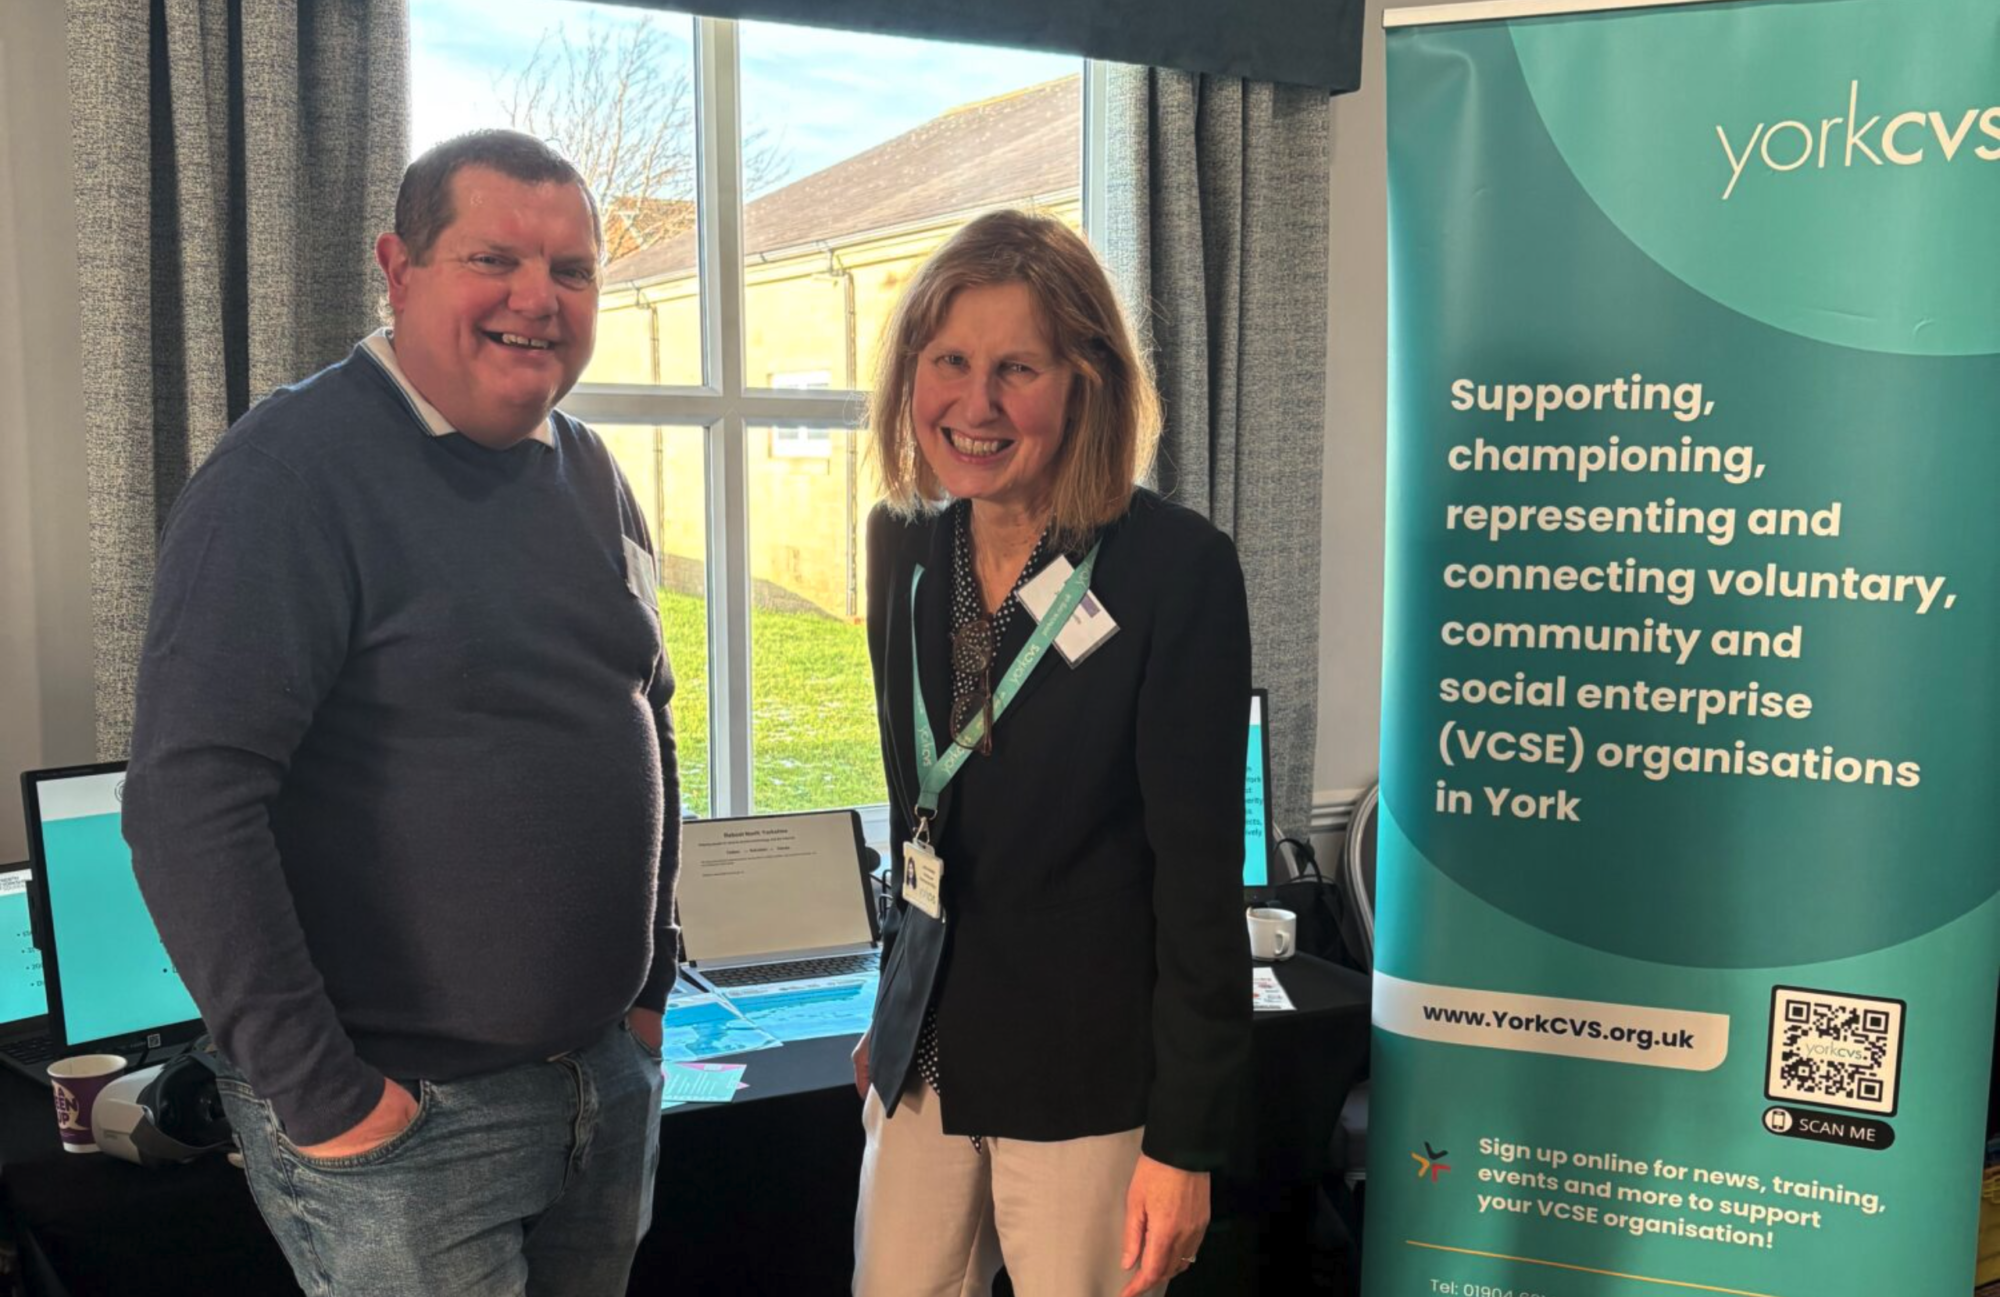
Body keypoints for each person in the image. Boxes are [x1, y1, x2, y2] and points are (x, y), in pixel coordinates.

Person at [123, 130, 677, 1297]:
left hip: (596, 1083)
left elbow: (644, 714)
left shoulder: (587, 472)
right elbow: (190, 801)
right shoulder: (287, 476)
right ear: (398, 266)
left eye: (571, 272)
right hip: (408, 1127)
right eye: (496, 259)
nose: (538, 300)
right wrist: (322, 1093)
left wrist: (647, 987)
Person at [851, 209, 1253, 1297]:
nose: (973, 406)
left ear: (1085, 381)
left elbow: (1198, 884)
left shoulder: (1174, 569)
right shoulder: (905, 544)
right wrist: (892, 1005)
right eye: (948, 362)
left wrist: (1184, 1144)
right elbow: (919, 809)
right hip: (926, 1056)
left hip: (1086, 1079)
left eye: (1015, 369)